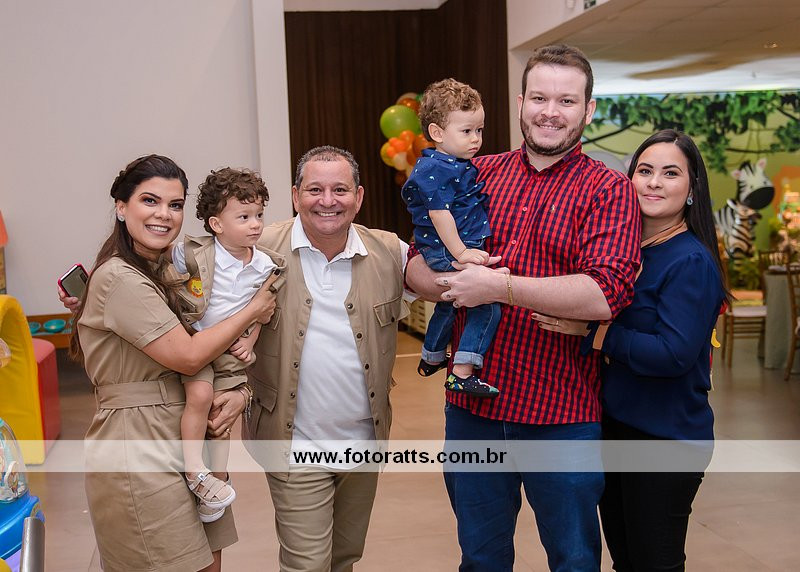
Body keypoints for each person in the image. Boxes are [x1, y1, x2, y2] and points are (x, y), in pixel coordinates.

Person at [406, 44, 642, 571]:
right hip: (473, 414)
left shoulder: (608, 189)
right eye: (539, 97)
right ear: (520, 102)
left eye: (566, 100)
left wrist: (499, 288)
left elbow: (603, 292)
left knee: (574, 560)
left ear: (588, 110)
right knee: (481, 559)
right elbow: (417, 263)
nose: (549, 112)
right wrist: (450, 282)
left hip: (561, 415)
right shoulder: (476, 172)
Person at [66, 155, 276, 572]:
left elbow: (218, 348)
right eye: (150, 200)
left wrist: (240, 391)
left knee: (208, 563)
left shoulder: (168, 269)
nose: (164, 214)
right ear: (121, 207)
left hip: (192, 440)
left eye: (175, 204)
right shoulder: (120, 278)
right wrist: (254, 309)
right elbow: (189, 355)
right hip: (142, 446)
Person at [534, 130, 728, 571]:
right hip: (616, 428)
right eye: (645, 171)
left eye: (670, 173)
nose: (654, 182)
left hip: (665, 438)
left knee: (654, 562)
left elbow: (673, 354)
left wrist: (594, 332)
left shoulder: (690, 260)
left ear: (692, 189)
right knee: (626, 559)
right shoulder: (623, 252)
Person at [243, 146, 410, 572]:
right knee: (308, 563)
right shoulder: (258, 249)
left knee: (344, 557)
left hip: (363, 442)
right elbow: (192, 280)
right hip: (294, 442)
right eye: (315, 189)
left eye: (340, 189)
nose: (328, 201)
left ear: (359, 196)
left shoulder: (389, 252)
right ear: (296, 195)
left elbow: (443, 280)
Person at [167, 167, 277, 523]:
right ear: (216, 224)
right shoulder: (195, 253)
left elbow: (264, 310)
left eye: (259, 215)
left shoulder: (265, 265)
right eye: (244, 217)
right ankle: (195, 469)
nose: (255, 224)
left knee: (221, 419)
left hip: (229, 353)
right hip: (197, 344)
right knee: (199, 396)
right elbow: (155, 269)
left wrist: (251, 339)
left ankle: (218, 480)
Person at [401, 78, 500, 398]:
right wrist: (461, 254)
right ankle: (462, 371)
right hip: (447, 248)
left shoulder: (454, 164)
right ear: (437, 132)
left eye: (479, 130)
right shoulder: (435, 169)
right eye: (467, 131)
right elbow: (439, 214)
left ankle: (432, 355)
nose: (476, 139)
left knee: (452, 303)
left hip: (451, 246)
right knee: (486, 304)